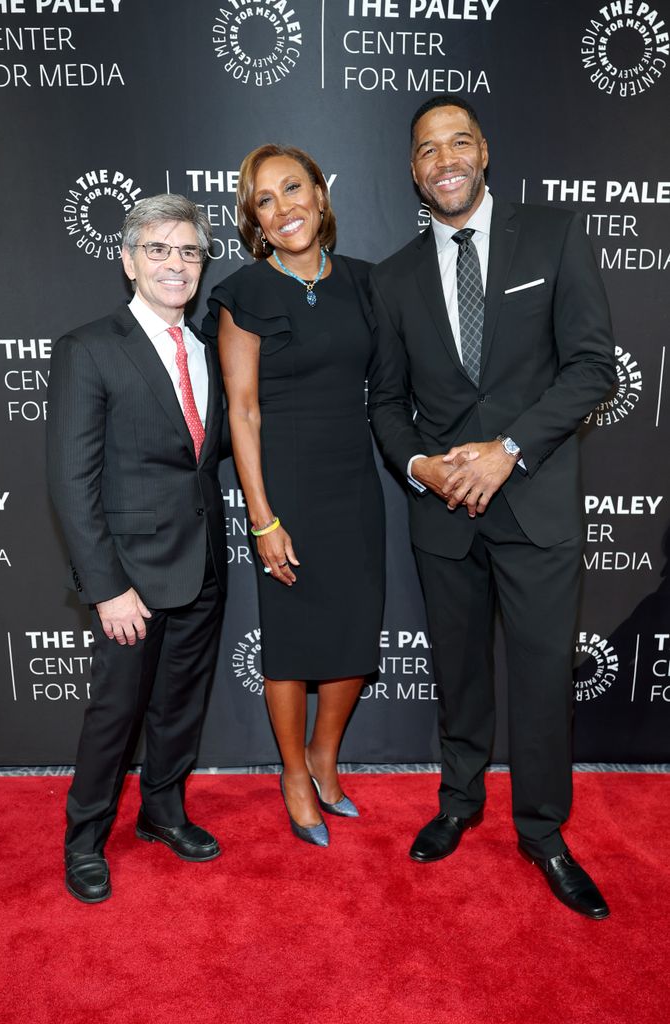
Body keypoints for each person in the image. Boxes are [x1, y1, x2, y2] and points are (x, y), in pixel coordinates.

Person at [368, 96, 616, 918]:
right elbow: (387, 403)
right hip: (443, 514)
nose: (445, 159)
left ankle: (543, 831)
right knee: (459, 672)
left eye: (459, 142)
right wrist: (421, 467)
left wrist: (508, 450)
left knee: (542, 678)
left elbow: (591, 367)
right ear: (414, 170)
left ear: (484, 152)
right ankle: (459, 801)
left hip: (535, 501)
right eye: (427, 149)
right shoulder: (393, 277)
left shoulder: (553, 235)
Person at [47, 194, 228, 903]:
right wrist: (107, 588)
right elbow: (72, 481)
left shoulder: (208, 349)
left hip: (203, 563)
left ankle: (163, 812)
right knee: (115, 715)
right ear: (128, 261)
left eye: (188, 251)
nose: (174, 264)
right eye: (157, 249)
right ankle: (84, 840)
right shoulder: (90, 348)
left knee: (180, 705)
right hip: (131, 579)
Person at [204, 144, 384, 847]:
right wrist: (262, 517)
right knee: (290, 639)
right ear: (254, 219)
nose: (284, 208)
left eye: (293, 188)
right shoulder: (244, 293)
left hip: (354, 482)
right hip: (285, 488)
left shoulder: (365, 282)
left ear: (319, 193)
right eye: (265, 200)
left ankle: (323, 757)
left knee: (354, 631)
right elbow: (242, 411)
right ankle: (291, 773)